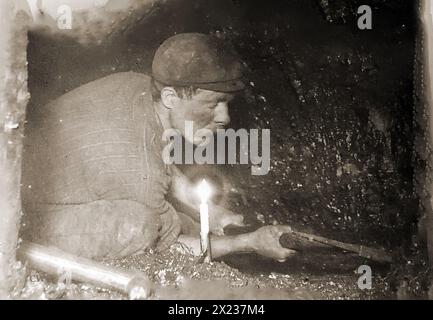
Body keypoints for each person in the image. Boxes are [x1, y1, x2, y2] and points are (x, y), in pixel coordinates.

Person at [21, 33, 295, 262]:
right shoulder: (138, 170)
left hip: (38, 188)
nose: (225, 117)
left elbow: (156, 159)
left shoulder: (136, 85)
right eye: (213, 104)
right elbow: (177, 247)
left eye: (227, 104)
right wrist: (248, 242)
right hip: (26, 224)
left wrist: (213, 214)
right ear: (170, 97)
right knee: (142, 226)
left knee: (168, 216)